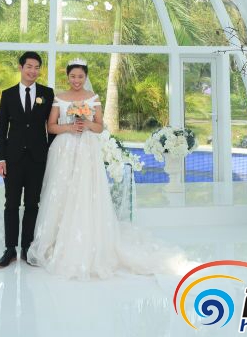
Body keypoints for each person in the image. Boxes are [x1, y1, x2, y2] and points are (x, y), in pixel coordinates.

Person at [27, 58, 192, 279]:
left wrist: (87, 124)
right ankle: (57, 242)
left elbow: (99, 126)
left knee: (85, 192)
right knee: (62, 193)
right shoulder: (59, 97)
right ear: (67, 77)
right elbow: (51, 126)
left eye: (80, 76)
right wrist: (69, 126)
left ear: (86, 77)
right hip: (64, 150)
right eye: (73, 76)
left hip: (87, 150)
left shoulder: (93, 98)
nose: (76, 80)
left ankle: (87, 243)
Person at [0, 51, 54, 268]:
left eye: (37, 67)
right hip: (13, 158)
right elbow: (2, 129)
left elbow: (51, 127)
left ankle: (27, 248)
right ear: (21, 68)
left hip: (37, 159)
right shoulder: (8, 94)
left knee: (32, 204)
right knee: (11, 203)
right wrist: (1, 159)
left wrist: (51, 154)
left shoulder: (47, 93)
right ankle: (10, 249)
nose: (33, 71)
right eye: (29, 66)